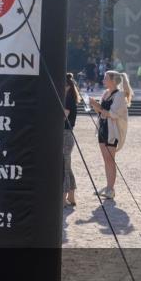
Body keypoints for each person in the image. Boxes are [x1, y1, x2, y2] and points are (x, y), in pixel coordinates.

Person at [88, 70, 132, 200]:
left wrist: (98, 106)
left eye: (105, 78)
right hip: (102, 128)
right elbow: (100, 112)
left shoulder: (119, 95)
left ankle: (111, 189)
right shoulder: (106, 93)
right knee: (106, 160)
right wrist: (94, 105)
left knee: (110, 160)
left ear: (112, 81)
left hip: (112, 131)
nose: (103, 80)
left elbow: (112, 114)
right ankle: (108, 186)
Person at [62, 73, 80, 207]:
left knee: (63, 167)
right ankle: (72, 196)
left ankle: (62, 198)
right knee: (67, 167)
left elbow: (63, 116)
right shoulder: (70, 97)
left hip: (65, 134)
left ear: (66, 86)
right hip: (67, 135)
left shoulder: (68, 98)